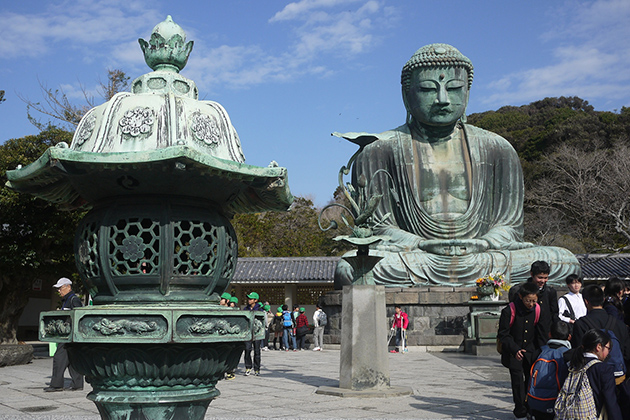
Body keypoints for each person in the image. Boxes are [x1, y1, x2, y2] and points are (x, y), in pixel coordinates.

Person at [333, 43, 579, 288]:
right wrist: (420, 244)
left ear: (467, 93)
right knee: (350, 267)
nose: (442, 99)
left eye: (454, 88)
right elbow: (376, 228)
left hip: (483, 255)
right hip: (417, 256)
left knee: (564, 262)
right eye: (428, 89)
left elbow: (510, 227)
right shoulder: (379, 149)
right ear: (407, 95)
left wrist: (484, 242)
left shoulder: (497, 148)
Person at [497, 282, 548, 420]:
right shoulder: (509, 311)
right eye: (528, 300)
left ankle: (529, 406)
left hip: (531, 351)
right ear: (520, 297)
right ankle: (519, 409)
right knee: (517, 380)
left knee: (531, 379)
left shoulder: (538, 310)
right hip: (514, 351)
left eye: (534, 301)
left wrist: (542, 352)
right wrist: (515, 349)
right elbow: (503, 334)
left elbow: (542, 334)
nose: (531, 304)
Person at [555, 329, 623, 420]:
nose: (608, 353)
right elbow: (611, 401)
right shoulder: (604, 369)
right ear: (598, 347)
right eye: (608, 348)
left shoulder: (573, 364)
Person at [571, 284, 630, 386]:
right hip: (617, 379)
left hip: (592, 380)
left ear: (586, 302)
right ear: (603, 299)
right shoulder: (620, 324)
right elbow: (627, 353)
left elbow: (578, 352)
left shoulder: (581, 324)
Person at [44, 278, 84, 392]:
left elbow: (79, 315)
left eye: (60, 288)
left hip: (68, 335)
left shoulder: (73, 300)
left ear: (68, 287)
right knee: (72, 359)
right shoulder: (67, 300)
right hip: (69, 335)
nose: (59, 291)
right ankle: (77, 384)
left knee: (59, 358)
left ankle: (56, 385)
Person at [527, 321, 571, 420]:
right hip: (557, 404)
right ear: (569, 337)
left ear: (549, 334)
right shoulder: (568, 355)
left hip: (535, 402)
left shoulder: (538, 352)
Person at [509, 261, 558, 335]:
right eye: (540, 278)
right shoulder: (519, 291)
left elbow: (554, 313)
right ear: (532, 274)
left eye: (545, 278)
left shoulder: (550, 292)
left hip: (544, 333)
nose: (543, 281)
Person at [242, 292, 263, 376]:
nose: (249, 300)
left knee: (257, 351)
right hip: (248, 333)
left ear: (256, 300)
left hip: (257, 333)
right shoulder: (245, 309)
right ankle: (248, 367)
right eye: (249, 299)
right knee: (247, 350)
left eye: (251, 299)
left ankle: (257, 368)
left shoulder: (260, 310)